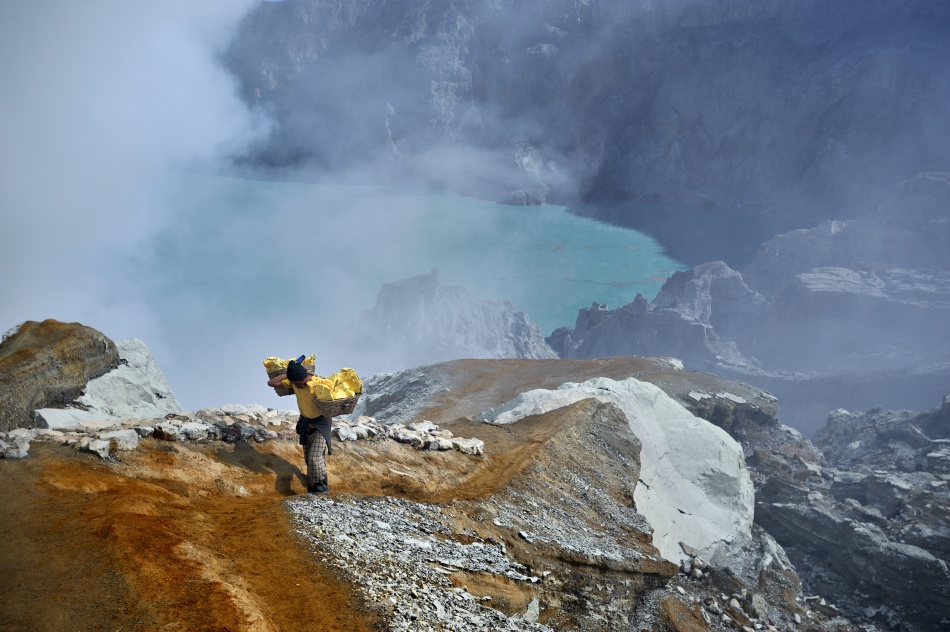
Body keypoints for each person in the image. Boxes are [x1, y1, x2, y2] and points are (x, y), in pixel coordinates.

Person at [267, 359, 332, 494]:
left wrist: (296, 378)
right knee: (310, 459)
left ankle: (321, 488)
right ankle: (313, 488)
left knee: (315, 458)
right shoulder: (295, 383)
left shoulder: (317, 384)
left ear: (304, 377)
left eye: (299, 382)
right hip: (305, 423)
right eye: (294, 383)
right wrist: (289, 375)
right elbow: (272, 382)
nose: (298, 386)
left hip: (321, 424)